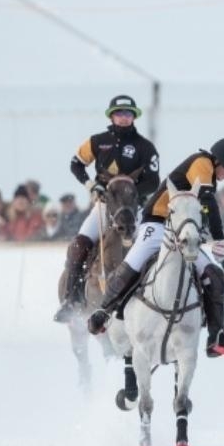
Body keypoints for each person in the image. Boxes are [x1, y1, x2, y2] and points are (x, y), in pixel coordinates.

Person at [86, 139, 224, 358]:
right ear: (219, 160)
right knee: (134, 263)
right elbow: (209, 203)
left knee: (214, 274)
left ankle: (217, 335)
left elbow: (202, 213)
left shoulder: (211, 174)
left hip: (182, 230)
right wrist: (219, 238)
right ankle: (103, 311)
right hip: (157, 222)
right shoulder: (203, 163)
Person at [53, 95, 160, 322]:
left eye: (128, 114)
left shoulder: (145, 147)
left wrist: (131, 191)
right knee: (78, 246)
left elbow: (153, 181)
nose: (124, 117)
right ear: (112, 116)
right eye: (120, 113)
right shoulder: (97, 141)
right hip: (104, 206)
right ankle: (72, 300)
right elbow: (76, 163)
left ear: (134, 117)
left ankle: (156, 300)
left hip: (134, 210)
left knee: (152, 248)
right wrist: (90, 184)